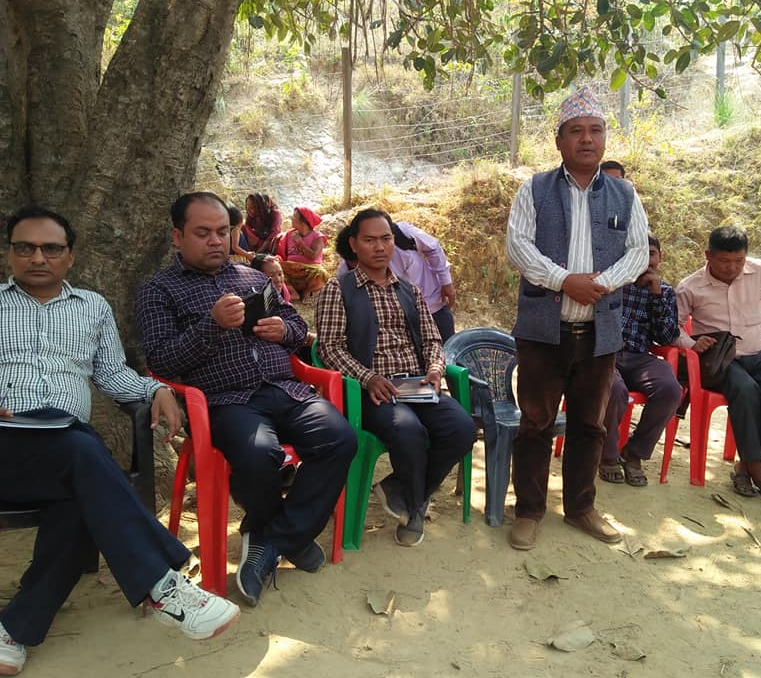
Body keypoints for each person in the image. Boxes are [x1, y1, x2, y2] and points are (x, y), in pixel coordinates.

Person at [0, 206, 240, 675]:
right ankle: (163, 586)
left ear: (70, 257)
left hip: (64, 449)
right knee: (83, 451)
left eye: (51, 248)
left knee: (78, 489)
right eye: (25, 247)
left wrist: (155, 390)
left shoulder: (92, 307)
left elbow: (112, 373)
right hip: (7, 441)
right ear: (10, 254)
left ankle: (14, 630)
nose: (38, 257)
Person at [136, 192, 356, 607]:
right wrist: (212, 325)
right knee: (258, 456)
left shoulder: (252, 277)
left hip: (285, 390)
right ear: (178, 236)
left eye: (223, 232)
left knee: (339, 438)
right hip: (225, 401)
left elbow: (295, 326)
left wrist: (284, 331)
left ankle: (272, 538)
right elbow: (161, 360)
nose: (216, 241)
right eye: (203, 233)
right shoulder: (159, 290)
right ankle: (288, 538)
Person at [505, 86, 649, 550]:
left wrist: (600, 284)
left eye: (595, 130)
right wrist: (565, 280)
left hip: (599, 332)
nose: (587, 139)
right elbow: (518, 247)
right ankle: (529, 511)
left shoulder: (625, 194)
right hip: (542, 333)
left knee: (590, 425)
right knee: (536, 423)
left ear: (605, 137)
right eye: (576, 131)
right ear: (559, 140)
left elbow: (638, 253)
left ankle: (581, 508)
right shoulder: (534, 189)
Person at [315, 209, 476, 547]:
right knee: (408, 430)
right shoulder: (338, 290)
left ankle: (400, 490)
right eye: (370, 240)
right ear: (354, 244)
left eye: (386, 239)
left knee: (462, 428)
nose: (380, 247)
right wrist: (368, 377)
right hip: (372, 391)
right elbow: (330, 348)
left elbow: (432, 340)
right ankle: (415, 507)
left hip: (415, 383)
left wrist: (435, 368)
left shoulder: (409, 290)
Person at [675, 226, 761, 499]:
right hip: (719, 362)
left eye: (739, 261)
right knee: (746, 390)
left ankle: (745, 465)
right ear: (708, 255)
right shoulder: (690, 286)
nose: (732, 268)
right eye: (724, 261)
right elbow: (673, 326)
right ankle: (758, 470)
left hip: (757, 354)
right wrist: (691, 344)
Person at [599, 235, 682, 486]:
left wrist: (655, 295)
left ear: (660, 257)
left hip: (640, 357)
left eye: (652, 254)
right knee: (614, 389)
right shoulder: (611, 282)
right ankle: (607, 455)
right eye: (639, 255)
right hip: (605, 354)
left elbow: (667, 337)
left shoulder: (665, 292)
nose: (647, 261)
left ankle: (634, 453)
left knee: (670, 389)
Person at [335, 220, 458, 343]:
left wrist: (446, 283)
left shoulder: (402, 234)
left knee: (450, 349)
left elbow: (433, 248)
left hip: (434, 307)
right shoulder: (345, 273)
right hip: (399, 325)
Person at [275, 206, 328, 300]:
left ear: (303, 221)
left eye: (294, 216)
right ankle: (292, 292)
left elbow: (313, 256)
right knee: (276, 266)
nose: (291, 218)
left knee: (321, 274)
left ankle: (307, 293)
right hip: (291, 270)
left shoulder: (317, 236)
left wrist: (300, 243)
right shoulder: (289, 234)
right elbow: (281, 253)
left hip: (309, 271)